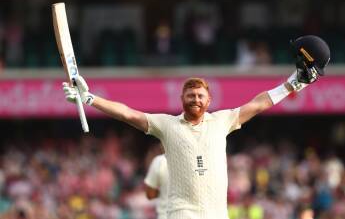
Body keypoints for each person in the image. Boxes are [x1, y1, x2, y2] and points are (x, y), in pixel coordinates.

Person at [62, 35, 330, 219]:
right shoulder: (166, 125)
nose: (196, 98)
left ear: (209, 100)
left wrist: (293, 83)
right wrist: (89, 98)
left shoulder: (223, 120)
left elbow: (260, 103)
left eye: (201, 95)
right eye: (190, 94)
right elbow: (128, 114)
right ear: (181, 99)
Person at [144, 152, 169, 219]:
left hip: (165, 215)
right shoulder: (195, 158)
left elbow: (150, 194)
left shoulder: (159, 161)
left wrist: (162, 192)